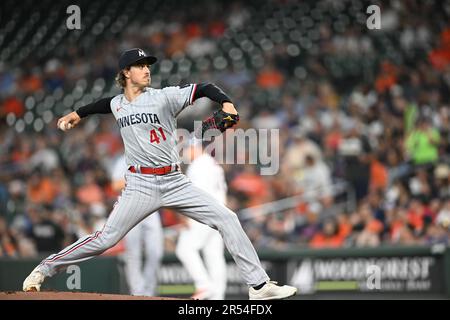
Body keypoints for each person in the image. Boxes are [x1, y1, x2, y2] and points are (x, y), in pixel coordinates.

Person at [22, 48, 297, 300]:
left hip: (174, 181)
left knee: (227, 218)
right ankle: (45, 269)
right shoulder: (119, 104)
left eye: (147, 65)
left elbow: (205, 87)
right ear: (125, 73)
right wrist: (77, 114)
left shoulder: (164, 96)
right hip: (140, 184)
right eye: (139, 65)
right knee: (106, 238)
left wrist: (225, 103)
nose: (146, 69)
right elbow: (103, 104)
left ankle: (259, 286)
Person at [175, 141, 227, 300]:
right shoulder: (213, 163)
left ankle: (203, 285)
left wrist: (186, 216)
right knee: (214, 255)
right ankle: (217, 296)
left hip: (205, 213)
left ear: (195, 147)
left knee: (184, 248)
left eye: (188, 149)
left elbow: (194, 196)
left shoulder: (198, 165)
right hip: (220, 212)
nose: (185, 153)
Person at [111, 154, 163, 296]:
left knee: (156, 252)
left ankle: (149, 292)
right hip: (131, 208)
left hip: (151, 208)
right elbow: (115, 184)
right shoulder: (124, 160)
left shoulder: (152, 157)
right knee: (133, 253)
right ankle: (138, 293)